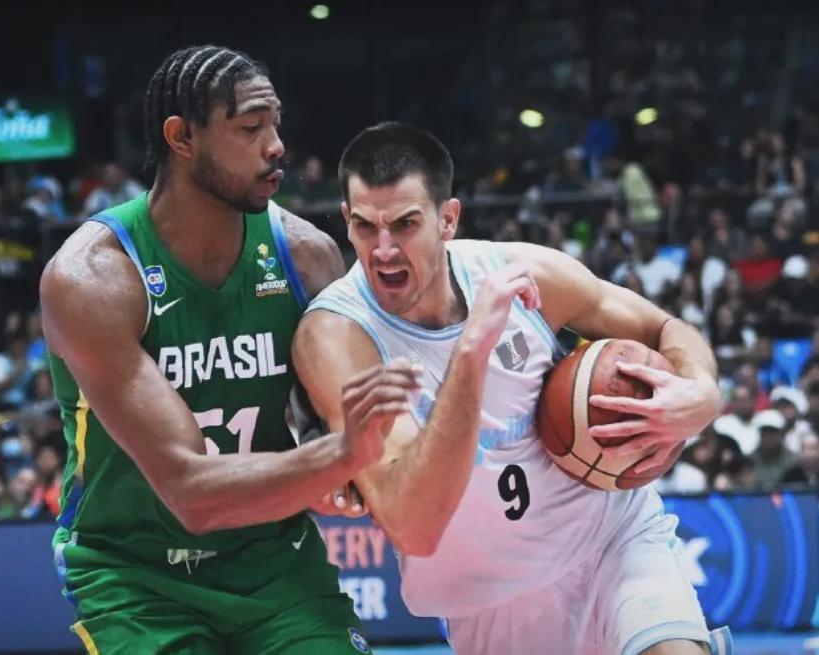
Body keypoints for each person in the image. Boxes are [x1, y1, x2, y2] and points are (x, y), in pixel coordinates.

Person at [293, 122, 732, 655]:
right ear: (346, 220)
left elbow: (664, 328)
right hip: (487, 602)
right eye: (365, 227)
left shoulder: (523, 271)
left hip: (611, 543)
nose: (383, 250)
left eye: (405, 224)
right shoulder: (338, 337)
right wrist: (472, 349)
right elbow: (412, 523)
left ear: (447, 219)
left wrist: (700, 392)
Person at [40, 46, 417, 654]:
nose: (277, 147)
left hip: (274, 561)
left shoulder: (306, 256)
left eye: (275, 125)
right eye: (250, 128)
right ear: (181, 138)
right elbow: (191, 493)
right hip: (135, 577)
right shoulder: (92, 279)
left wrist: (351, 467)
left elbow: (329, 420)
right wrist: (340, 455)